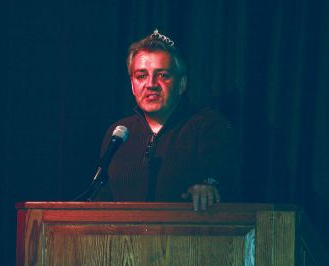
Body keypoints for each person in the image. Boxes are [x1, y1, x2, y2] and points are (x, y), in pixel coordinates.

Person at [95, 29, 239, 211]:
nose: (151, 84)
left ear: (182, 84)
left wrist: (209, 187)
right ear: (132, 85)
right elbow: (101, 200)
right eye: (141, 76)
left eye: (162, 75)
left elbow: (223, 177)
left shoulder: (208, 126)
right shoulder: (118, 133)